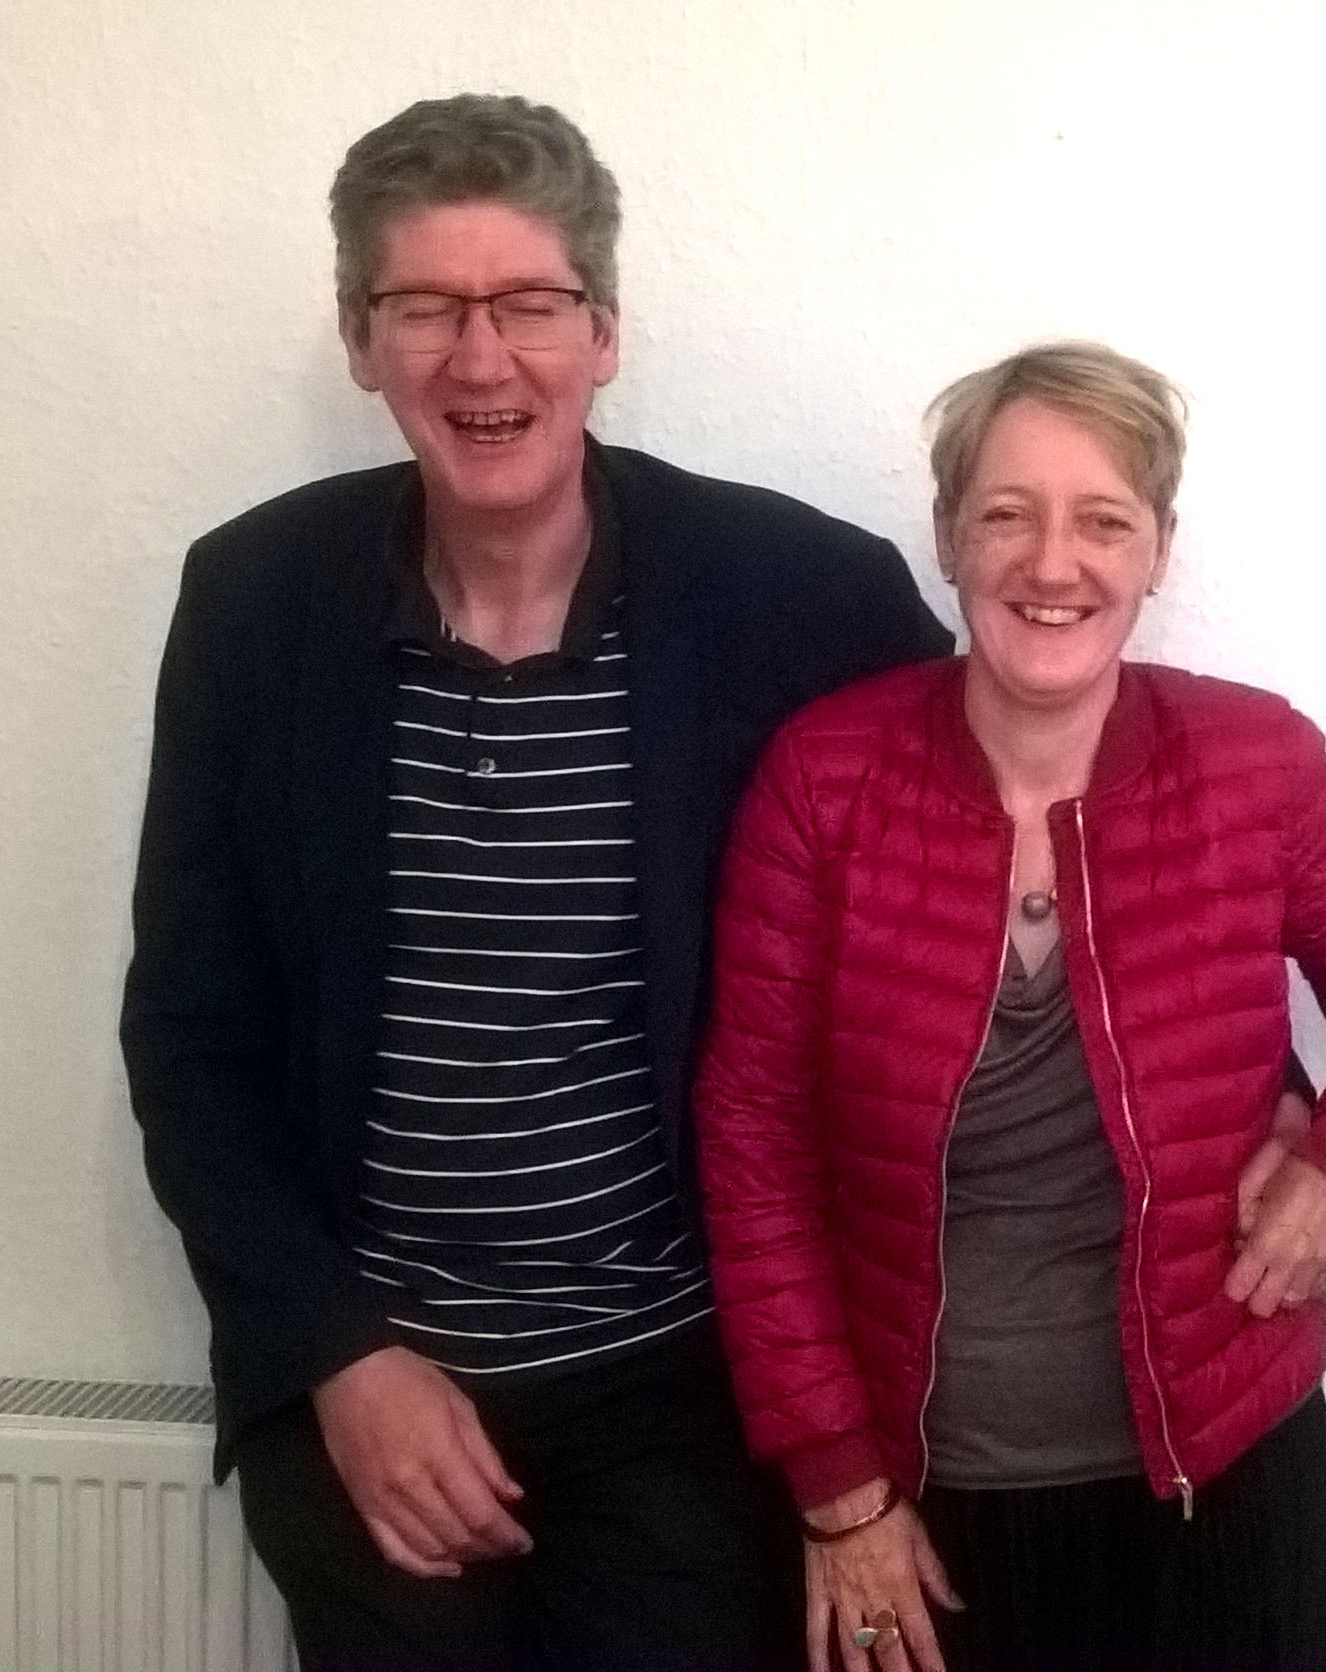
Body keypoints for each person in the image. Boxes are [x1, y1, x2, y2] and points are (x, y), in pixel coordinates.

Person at [119, 93, 954, 1672]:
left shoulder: (796, 595)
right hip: (372, 1381)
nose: (480, 358)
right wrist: (336, 1359)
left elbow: (995, 839)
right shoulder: (251, 601)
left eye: (528, 304)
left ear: (605, 332)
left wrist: (1268, 1090)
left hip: (685, 1389)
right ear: (359, 340)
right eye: (425, 307)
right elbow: (189, 1037)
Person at [694, 340, 1326, 1672]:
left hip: (1220, 1486)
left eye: (1103, 520)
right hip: (911, 1515)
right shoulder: (822, 782)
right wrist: (836, 1491)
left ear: (1159, 549)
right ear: (948, 535)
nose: (1053, 565)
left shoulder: (1257, 765)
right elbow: (753, 1146)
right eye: (1007, 514)